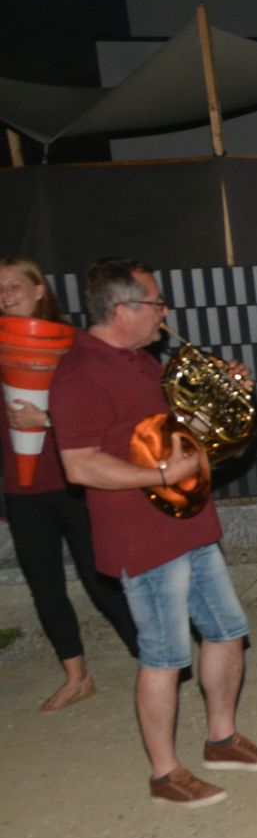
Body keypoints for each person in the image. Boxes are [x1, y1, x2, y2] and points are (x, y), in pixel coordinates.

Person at [50, 259, 257, 807]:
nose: (166, 312)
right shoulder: (80, 374)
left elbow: (179, 434)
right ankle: (165, 773)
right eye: (157, 303)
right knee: (163, 655)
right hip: (141, 536)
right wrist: (159, 476)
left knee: (227, 630)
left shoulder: (141, 360)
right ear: (124, 310)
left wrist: (225, 396)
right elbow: (80, 464)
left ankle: (222, 740)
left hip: (188, 520)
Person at [2, 256, 140, 711]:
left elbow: (101, 412)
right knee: (45, 586)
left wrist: (45, 419)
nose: (5, 295)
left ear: (39, 289)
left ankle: (152, 657)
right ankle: (76, 676)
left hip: (74, 481)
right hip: (21, 490)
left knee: (101, 579)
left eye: (14, 286)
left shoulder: (73, 345)